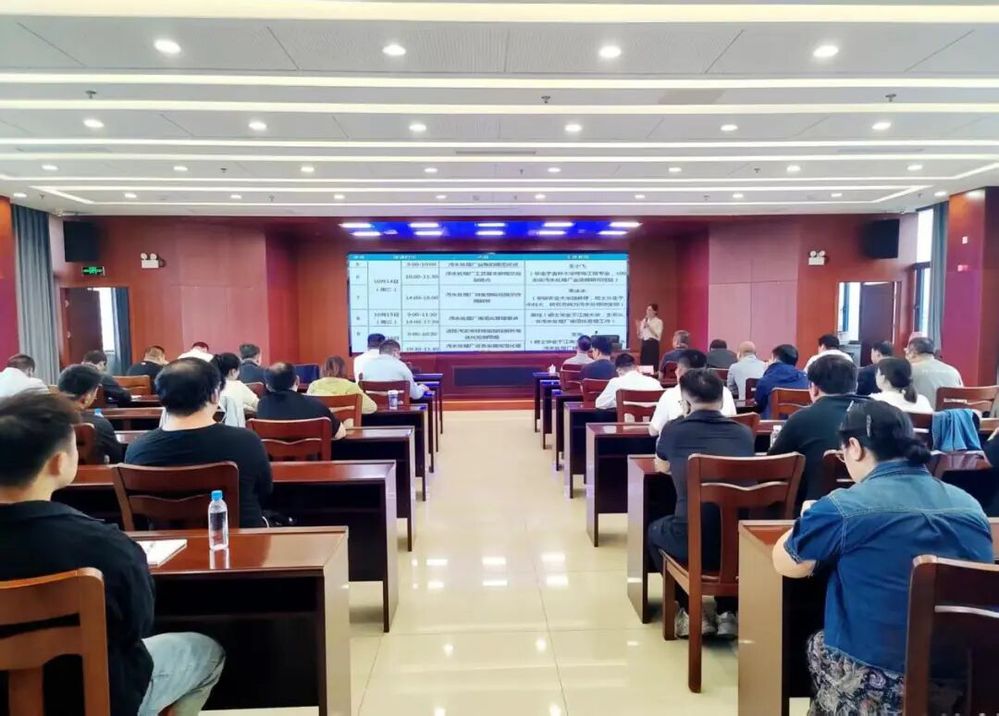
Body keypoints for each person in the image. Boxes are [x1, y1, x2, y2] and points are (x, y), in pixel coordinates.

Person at [0, 391, 225, 715]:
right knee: (206, 651)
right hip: (92, 700)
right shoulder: (103, 545)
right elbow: (137, 627)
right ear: (59, 462)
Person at [772, 401, 993, 715]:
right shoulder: (969, 505)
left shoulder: (845, 506)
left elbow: (788, 563)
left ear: (854, 447)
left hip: (882, 683)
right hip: (967, 681)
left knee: (816, 642)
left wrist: (807, 518)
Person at [647, 369, 754, 639]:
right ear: (723, 399)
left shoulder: (673, 430)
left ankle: (689, 611)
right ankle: (728, 612)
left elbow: (661, 465)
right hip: (741, 544)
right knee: (720, 528)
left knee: (654, 530)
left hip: (690, 542)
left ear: (685, 402)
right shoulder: (744, 433)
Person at [124, 358, 273, 527]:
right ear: (215, 395)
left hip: (167, 541)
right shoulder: (247, 442)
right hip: (238, 538)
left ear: (161, 397)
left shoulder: (138, 448)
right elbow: (265, 491)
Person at [769, 355, 865, 505]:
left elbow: (774, 466)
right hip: (873, 506)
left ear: (813, 388)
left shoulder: (802, 418)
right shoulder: (881, 414)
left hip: (816, 506)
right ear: (855, 385)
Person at [648, 349, 737, 435]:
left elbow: (653, 431)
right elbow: (733, 419)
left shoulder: (669, 395)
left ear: (679, 371)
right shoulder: (726, 392)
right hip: (721, 443)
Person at [257, 362, 346, 438]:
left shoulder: (262, 406)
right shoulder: (316, 405)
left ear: (268, 387)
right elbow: (339, 434)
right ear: (297, 381)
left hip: (273, 453)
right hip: (313, 453)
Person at [57, 363, 124, 463]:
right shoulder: (100, 424)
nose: (95, 397)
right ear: (87, 397)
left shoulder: (40, 419)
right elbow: (116, 458)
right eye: (95, 392)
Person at [360, 339, 429, 401]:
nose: (400, 357)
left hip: (372, 409)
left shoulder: (367, 366)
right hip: (397, 408)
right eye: (399, 353)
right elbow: (415, 395)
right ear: (395, 352)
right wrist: (422, 388)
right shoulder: (401, 365)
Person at [307, 356, 378, 415]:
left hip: (319, 427)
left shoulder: (313, 386)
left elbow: (308, 408)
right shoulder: (350, 386)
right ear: (343, 370)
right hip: (347, 427)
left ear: (323, 369)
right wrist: (348, 408)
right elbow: (371, 407)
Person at [754, 344, 810, 419]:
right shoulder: (806, 379)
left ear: (774, 359)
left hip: (773, 424)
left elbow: (759, 405)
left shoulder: (765, 381)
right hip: (801, 422)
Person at [906, 336, 963, 408]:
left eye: (906, 352)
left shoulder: (909, 370)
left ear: (913, 353)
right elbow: (963, 400)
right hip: (955, 414)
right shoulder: (953, 371)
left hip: (922, 414)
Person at [594, 353, 663, 410]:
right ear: (637, 368)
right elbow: (663, 404)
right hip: (651, 422)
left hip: (626, 422)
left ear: (618, 370)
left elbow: (600, 404)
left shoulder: (616, 382)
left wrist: (619, 403)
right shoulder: (654, 382)